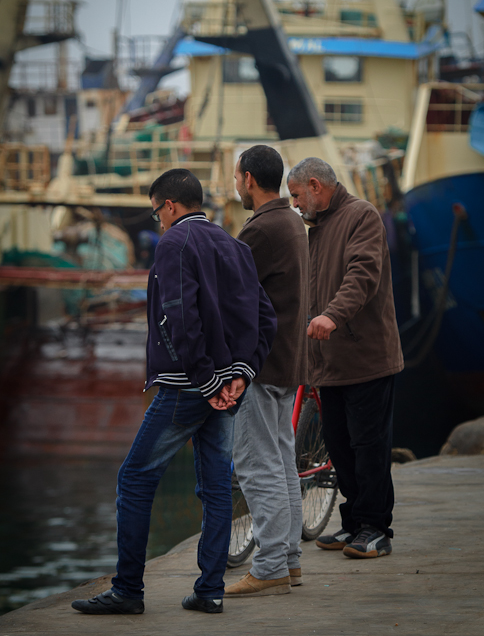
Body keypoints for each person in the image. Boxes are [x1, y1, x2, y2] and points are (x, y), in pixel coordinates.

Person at [71, 169, 277, 616]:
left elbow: (176, 319)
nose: (157, 222)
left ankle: (127, 590)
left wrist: (206, 382)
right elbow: (265, 317)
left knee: (134, 479)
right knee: (217, 488)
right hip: (224, 387)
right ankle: (209, 590)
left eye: (155, 212)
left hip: (189, 387)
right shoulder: (235, 245)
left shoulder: (173, 245)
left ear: (169, 206)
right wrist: (240, 375)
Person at [287, 157, 404, 559]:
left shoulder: (361, 216)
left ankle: (375, 528)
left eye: (298, 195)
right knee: (339, 446)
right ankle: (353, 521)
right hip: (330, 362)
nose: (296, 205)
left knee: (369, 445)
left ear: (316, 186)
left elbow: (363, 274)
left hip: (366, 357)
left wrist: (332, 315)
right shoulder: (316, 229)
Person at [224, 145, 308, 598]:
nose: (236, 184)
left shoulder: (262, 229)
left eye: (238, 177)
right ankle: (288, 561)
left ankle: (272, 564)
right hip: (286, 361)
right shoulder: (291, 221)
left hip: (260, 364)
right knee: (281, 464)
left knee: (258, 467)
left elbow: (232, 295)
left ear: (250, 178)